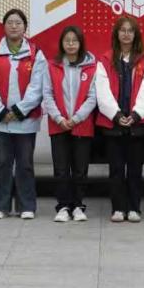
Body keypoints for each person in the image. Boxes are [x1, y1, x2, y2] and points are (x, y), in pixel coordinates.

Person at [0, 9, 46, 220]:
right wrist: (1, 112)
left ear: (25, 27)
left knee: (25, 164)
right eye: (10, 22)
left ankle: (26, 206)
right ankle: (0, 206)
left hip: (25, 121)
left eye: (18, 22)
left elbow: (37, 86)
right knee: (3, 163)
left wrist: (19, 110)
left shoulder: (35, 53)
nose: (14, 26)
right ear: (4, 26)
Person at [94, 15, 144, 223]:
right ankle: (118, 208)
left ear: (136, 34)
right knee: (116, 170)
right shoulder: (105, 60)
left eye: (130, 30)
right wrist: (117, 115)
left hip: (137, 125)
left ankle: (134, 208)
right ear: (117, 34)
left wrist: (136, 115)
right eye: (123, 30)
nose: (127, 34)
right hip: (113, 124)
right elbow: (102, 92)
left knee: (135, 170)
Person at [42, 26, 98, 223]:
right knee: (61, 169)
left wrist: (76, 118)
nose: (71, 44)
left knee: (80, 169)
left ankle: (78, 206)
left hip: (82, 125)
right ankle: (63, 206)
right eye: (67, 41)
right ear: (62, 44)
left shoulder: (92, 66)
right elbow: (47, 94)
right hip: (58, 125)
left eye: (75, 40)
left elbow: (93, 97)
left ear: (81, 43)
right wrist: (59, 118)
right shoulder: (52, 66)